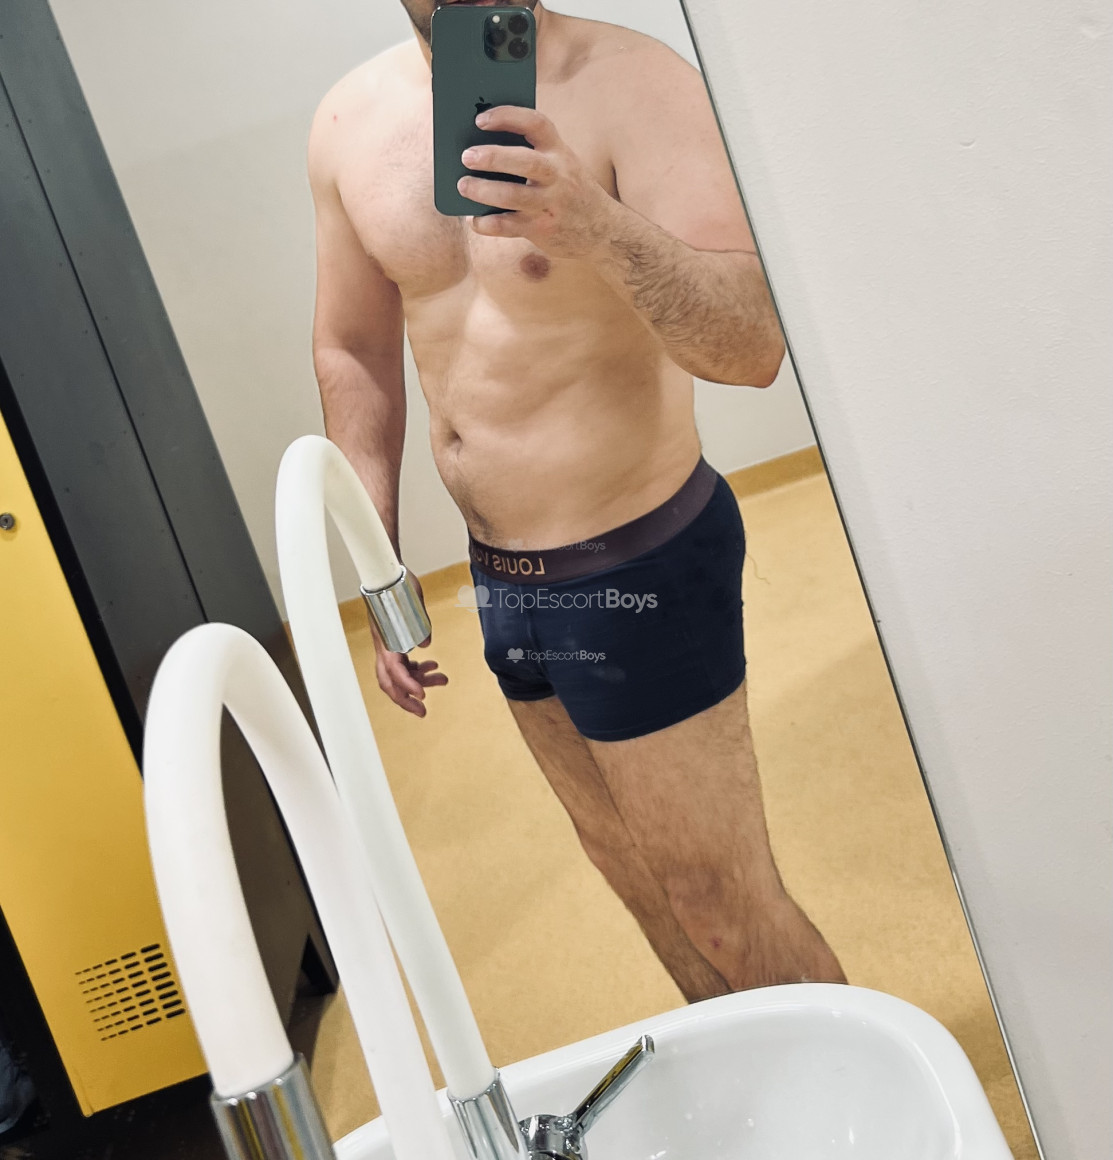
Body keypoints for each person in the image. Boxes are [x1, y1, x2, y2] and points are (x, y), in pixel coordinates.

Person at [308, 0, 846, 999]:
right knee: (640, 886)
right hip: (503, 581)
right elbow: (355, 350)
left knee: (720, 904)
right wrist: (376, 568)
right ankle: (758, 1080)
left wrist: (594, 227)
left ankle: (857, 1093)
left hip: (638, 558)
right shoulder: (348, 121)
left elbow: (751, 348)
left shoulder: (636, 82)